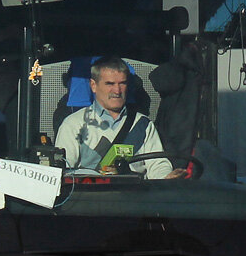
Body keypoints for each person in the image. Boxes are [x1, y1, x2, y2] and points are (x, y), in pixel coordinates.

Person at [55, 55, 184, 180]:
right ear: (93, 85)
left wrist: (166, 177)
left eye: (122, 83)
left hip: (135, 198)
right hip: (91, 197)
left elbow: (157, 165)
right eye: (110, 84)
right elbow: (63, 172)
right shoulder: (73, 124)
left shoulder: (143, 124)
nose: (117, 90)